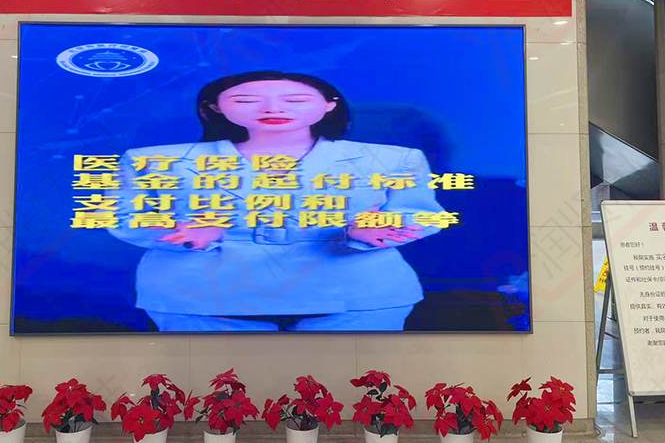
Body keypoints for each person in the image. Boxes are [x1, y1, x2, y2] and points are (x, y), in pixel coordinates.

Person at [108, 70, 445, 332]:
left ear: (330, 104)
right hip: (201, 293)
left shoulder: (395, 159)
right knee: (212, 388)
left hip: (355, 290)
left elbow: (421, 214)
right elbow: (122, 215)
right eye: (246, 100)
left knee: (350, 384)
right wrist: (177, 231)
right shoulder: (151, 160)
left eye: (295, 99)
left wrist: (376, 229)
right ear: (215, 106)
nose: (273, 108)